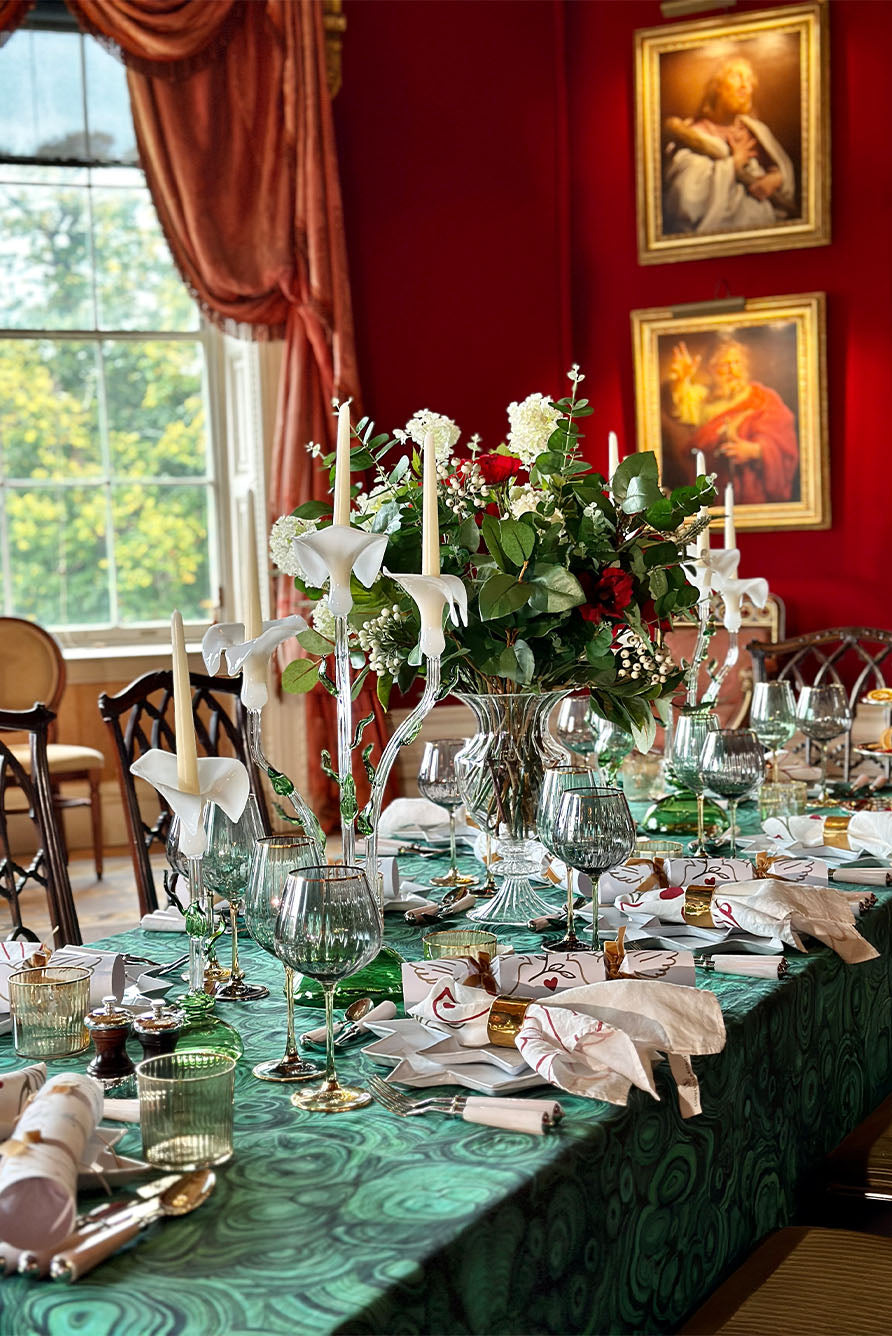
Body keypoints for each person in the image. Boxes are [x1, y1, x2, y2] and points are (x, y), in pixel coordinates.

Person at [662, 55, 796, 236]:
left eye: (749, 80)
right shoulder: (692, 135)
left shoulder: (756, 130)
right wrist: (733, 164)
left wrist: (775, 179)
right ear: (717, 86)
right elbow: (684, 195)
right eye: (737, 76)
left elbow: (780, 169)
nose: (745, 86)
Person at [667, 337, 799, 504]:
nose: (733, 371)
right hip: (713, 489)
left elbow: (783, 439)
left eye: (737, 363)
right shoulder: (702, 399)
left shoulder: (763, 398)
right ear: (711, 369)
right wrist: (681, 380)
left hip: (752, 492)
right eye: (725, 364)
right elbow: (680, 407)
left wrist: (755, 451)